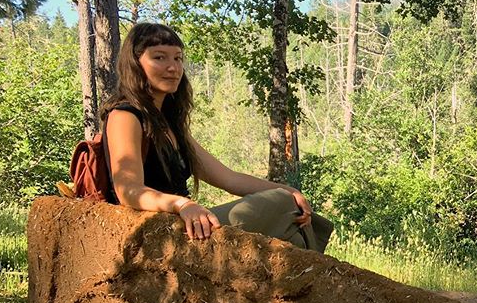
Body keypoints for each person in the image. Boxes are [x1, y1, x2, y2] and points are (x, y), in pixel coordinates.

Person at [101, 22, 332, 252]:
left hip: (186, 224)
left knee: (290, 213)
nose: (173, 67)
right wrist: (182, 204)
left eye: (178, 58)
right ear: (135, 63)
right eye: (159, 58)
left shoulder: (170, 125)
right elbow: (128, 190)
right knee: (282, 205)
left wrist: (288, 189)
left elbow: (228, 179)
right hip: (162, 234)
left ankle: (315, 278)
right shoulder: (125, 116)